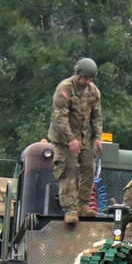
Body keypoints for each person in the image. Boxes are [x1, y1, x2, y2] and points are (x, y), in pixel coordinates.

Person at [49, 58, 103, 224]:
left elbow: (97, 115)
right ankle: (70, 209)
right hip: (65, 139)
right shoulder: (64, 89)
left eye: (91, 78)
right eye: (85, 78)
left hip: (85, 137)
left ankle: (82, 205)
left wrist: (98, 137)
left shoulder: (93, 91)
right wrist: (70, 139)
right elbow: (60, 117)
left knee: (88, 170)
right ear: (78, 74)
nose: (88, 81)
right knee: (68, 171)